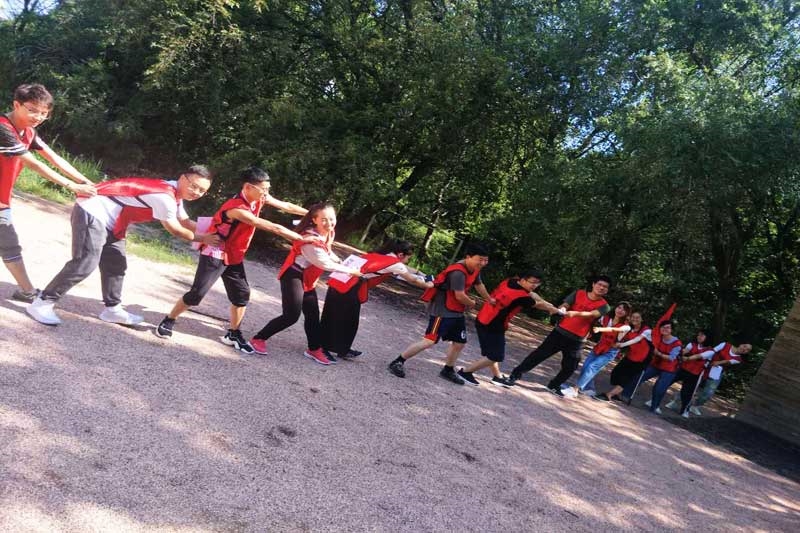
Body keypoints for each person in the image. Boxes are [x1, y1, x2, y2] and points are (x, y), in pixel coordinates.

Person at [26, 166, 220, 326]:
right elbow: (175, 229)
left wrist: (220, 228)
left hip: (114, 221)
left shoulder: (174, 193)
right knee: (85, 262)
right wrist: (203, 239)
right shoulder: (165, 197)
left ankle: (112, 310)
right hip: (93, 211)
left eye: (202, 191)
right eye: (194, 186)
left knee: (116, 265)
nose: (196, 192)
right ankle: (42, 302)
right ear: (183, 178)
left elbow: (185, 221)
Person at [154, 167, 308, 353]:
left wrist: (313, 215)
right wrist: (301, 239)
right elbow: (269, 226)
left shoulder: (260, 197)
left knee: (241, 295)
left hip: (234, 254)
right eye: (263, 189)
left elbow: (287, 206)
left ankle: (233, 333)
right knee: (197, 294)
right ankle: (169, 319)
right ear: (248, 187)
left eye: (268, 189)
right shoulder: (236, 208)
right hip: (216, 251)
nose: (266, 193)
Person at [1, 83, 96, 302]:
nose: (38, 117)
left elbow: (54, 157)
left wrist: (85, 181)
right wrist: (72, 186)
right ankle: (28, 291)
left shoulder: (29, 132)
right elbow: (33, 163)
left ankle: (26, 291)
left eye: (44, 113)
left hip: (2, 198)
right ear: (16, 105)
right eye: (32, 110)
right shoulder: (3, 128)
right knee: (9, 243)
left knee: (7, 242)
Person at [249, 202, 362, 364]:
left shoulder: (329, 233)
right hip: (293, 275)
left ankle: (314, 349)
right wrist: (350, 270)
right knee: (291, 316)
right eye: (323, 219)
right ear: (314, 220)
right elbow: (324, 263)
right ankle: (258, 339)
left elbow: (328, 251)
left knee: (313, 315)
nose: (329, 223)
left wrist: (341, 261)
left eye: (331, 219)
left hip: (308, 277)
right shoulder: (310, 240)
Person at [388, 243, 493, 384]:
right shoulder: (458, 272)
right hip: (442, 310)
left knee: (459, 342)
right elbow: (460, 296)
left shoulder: (474, 268)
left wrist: (489, 299)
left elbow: (479, 285)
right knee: (429, 340)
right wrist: (472, 304)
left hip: (456, 310)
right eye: (480, 259)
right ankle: (398, 361)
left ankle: (448, 370)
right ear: (468, 257)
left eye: (486, 260)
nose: (483, 263)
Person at [320, 239, 433, 361]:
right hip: (349, 287)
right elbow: (412, 280)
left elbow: (406, 269)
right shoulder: (395, 264)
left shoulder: (377, 255)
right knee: (340, 318)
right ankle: (323, 348)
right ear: (401, 254)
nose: (407, 260)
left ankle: (342, 348)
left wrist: (422, 274)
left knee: (344, 318)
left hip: (341, 281)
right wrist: (429, 285)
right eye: (408, 258)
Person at [506, 275, 612, 397]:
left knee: (571, 366)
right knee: (538, 355)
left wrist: (575, 313)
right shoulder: (579, 293)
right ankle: (515, 375)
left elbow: (592, 314)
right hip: (559, 332)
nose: (601, 288)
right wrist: (562, 308)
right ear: (593, 284)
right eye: (599, 284)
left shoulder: (605, 306)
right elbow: (565, 304)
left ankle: (554, 385)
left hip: (577, 340)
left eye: (605, 287)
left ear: (607, 290)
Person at [456, 269, 562, 387]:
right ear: (523, 279)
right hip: (492, 325)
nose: (534, 285)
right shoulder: (521, 297)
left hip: (484, 318)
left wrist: (549, 305)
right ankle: (465, 372)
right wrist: (554, 310)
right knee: (496, 356)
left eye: (537, 283)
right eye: (532, 282)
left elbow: (533, 295)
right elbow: (538, 304)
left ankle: (497, 377)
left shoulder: (511, 282)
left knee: (492, 353)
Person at [623, 320, 682, 414]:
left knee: (659, 387)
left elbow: (671, 358)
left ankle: (655, 406)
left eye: (668, 327)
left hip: (669, 368)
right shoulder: (657, 338)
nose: (665, 329)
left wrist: (658, 353)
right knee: (639, 376)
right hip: (656, 364)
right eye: (663, 327)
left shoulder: (677, 343)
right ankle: (625, 395)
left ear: (672, 330)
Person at [573, 302, 632, 396]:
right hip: (599, 346)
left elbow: (613, 329)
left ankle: (576, 389)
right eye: (619, 307)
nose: (620, 310)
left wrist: (601, 329)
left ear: (627, 313)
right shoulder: (605, 318)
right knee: (585, 367)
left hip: (610, 351)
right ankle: (590, 389)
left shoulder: (626, 326)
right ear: (615, 308)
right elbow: (592, 320)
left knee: (592, 367)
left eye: (624, 310)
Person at [594, 311, 652, 402]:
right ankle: (617, 394)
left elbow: (637, 339)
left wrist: (621, 345)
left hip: (642, 359)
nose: (635, 319)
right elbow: (620, 335)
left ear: (642, 319)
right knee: (616, 373)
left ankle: (609, 395)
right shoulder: (630, 328)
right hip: (630, 356)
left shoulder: (647, 330)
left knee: (627, 378)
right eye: (633, 317)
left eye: (637, 317)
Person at [691, 341, 752, 415]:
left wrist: (718, 362)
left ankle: (695, 406)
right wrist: (706, 360)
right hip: (705, 365)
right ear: (741, 344)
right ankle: (682, 400)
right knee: (692, 384)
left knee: (709, 392)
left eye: (747, 350)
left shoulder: (738, 359)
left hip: (716, 373)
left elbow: (727, 361)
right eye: (745, 346)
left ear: (746, 353)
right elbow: (712, 351)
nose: (744, 349)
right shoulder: (725, 345)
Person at [665, 330, 713, 417]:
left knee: (687, 392)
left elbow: (698, 356)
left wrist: (687, 358)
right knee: (666, 381)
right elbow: (684, 351)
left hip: (694, 374)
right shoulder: (692, 344)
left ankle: (684, 410)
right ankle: (654, 400)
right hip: (683, 369)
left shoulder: (710, 351)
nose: (699, 337)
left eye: (702, 335)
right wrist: (677, 351)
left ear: (707, 338)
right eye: (698, 335)